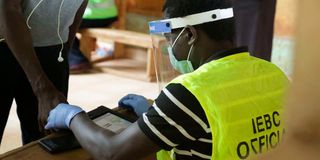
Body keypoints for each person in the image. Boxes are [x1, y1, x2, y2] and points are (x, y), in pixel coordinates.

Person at [45, 0, 289, 159]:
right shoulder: (273, 74)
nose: (170, 47)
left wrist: (73, 117)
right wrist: (157, 114)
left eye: (171, 38)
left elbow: (111, 152)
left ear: (190, 35)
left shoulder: (191, 92)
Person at [0, 0, 87, 145]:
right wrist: (43, 88)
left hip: (52, 48)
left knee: (44, 140)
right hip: (4, 40)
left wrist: (63, 52)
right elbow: (8, 7)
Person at [69, 0, 118, 73]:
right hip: (111, 16)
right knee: (64, 26)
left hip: (90, 16)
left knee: (61, 26)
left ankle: (77, 60)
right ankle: (76, 59)